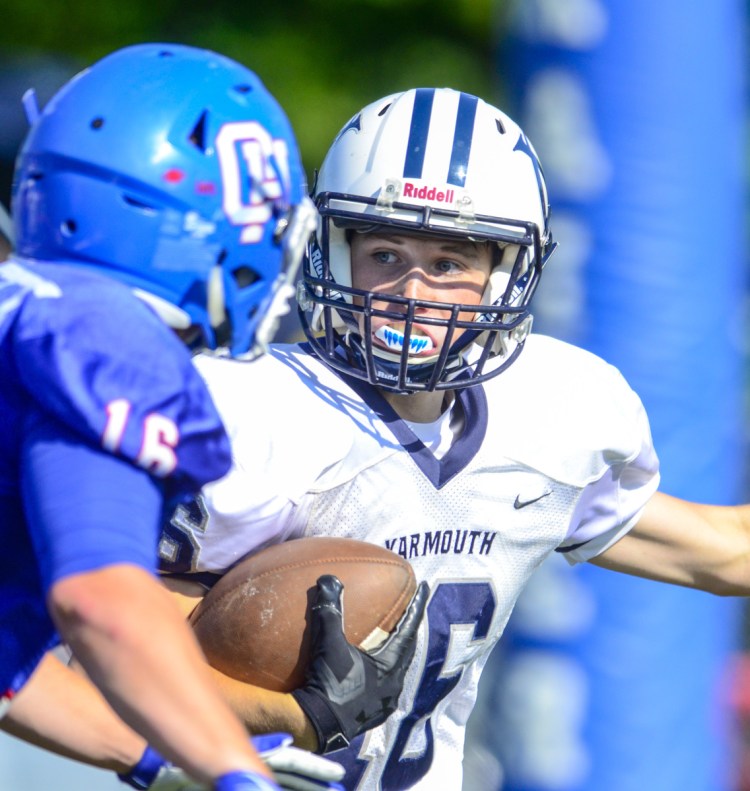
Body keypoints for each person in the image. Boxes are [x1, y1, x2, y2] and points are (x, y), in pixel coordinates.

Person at [153, 86, 750, 790]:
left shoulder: (553, 416)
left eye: (448, 263)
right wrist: (283, 707)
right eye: (384, 252)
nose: (412, 289)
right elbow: (106, 637)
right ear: (332, 252)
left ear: (506, 273)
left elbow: (724, 554)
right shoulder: (254, 408)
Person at [0, 40, 341, 791]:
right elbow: (98, 597)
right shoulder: (106, 338)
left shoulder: (26, 306)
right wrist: (234, 774)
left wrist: (168, 753)